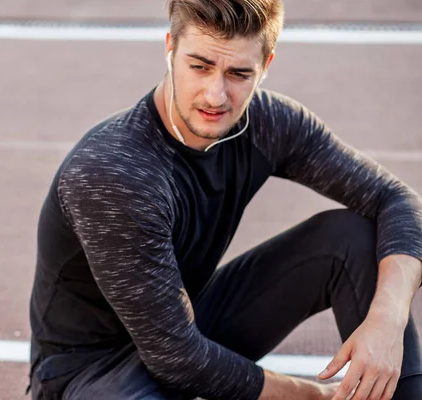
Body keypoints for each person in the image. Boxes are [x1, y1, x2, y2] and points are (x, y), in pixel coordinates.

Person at [27, 0, 422, 399]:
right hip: (91, 374)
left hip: (187, 326)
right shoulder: (117, 172)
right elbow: (176, 359)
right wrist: (316, 396)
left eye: (238, 73)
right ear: (170, 48)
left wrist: (387, 321)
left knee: (351, 237)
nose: (215, 95)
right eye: (199, 66)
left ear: (266, 65)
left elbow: (398, 201)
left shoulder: (270, 125)